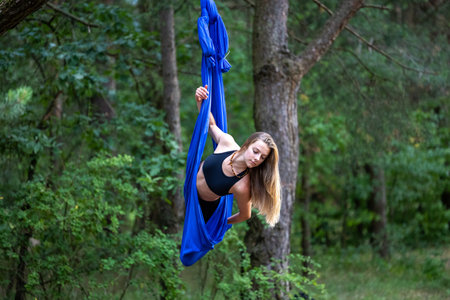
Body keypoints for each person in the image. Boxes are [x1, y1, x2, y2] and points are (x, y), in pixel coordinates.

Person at [194, 85, 281, 227]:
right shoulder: (227, 143)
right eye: (256, 151)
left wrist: (221, 223)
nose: (257, 158)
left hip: (201, 209)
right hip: (189, 185)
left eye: (263, 157)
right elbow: (210, 126)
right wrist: (200, 100)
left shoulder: (243, 186)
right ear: (247, 145)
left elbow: (245, 214)